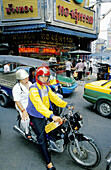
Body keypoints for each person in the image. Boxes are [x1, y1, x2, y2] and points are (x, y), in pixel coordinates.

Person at [26, 66, 73, 170]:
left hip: (46, 112)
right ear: (37, 76)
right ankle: (48, 162)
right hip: (36, 115)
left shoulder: (46, 87)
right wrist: (51, 116)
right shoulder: (34, 88)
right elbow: (39, 105)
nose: (45, 79)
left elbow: (54, 98)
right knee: (42, 139)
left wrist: (66, 104)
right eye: (42, 77)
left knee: (57, 125)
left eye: (46, 77)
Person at [12, 69, 32, 139]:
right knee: (26, 118)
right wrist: (23, 111)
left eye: (27, 78)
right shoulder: (16, 88)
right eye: (24, 79)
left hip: (30, 102)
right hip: (21, 104)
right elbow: (17, 101)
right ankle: (27, 131)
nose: (26, 80)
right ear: (20, 80)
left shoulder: (30, 83)